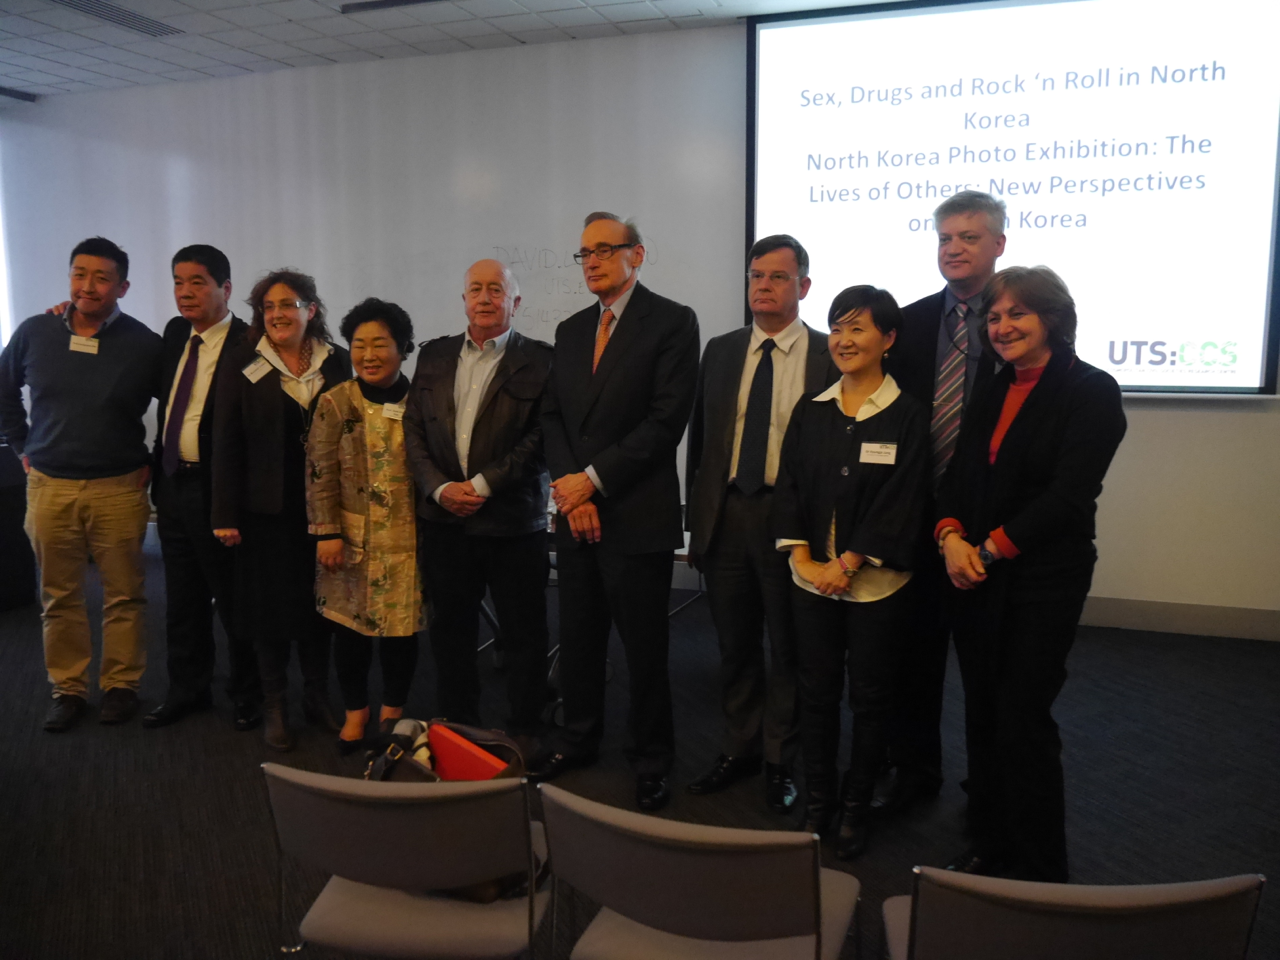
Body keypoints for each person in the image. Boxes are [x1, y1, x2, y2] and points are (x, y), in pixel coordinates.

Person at [937, 266, 1125, 882]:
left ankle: (1042, 868)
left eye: (1017, 313)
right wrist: (950, 538)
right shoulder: (995, 385)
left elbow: (1068, 496)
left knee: (1023, 717)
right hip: (976, 572)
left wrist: (986, 548)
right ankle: (990, 839)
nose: (1002, 326)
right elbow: (963, 473)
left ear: (1052, 318)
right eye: (993, 316)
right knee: (984, 713)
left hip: (1044, 577)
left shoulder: (1091, 390)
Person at [532, 212, 700, 812]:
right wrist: (571, 490)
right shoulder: (572, 329)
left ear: (638, 254)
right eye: (584, 253)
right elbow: (554, 417)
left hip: (635, 513)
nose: (593, 261)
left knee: (645, 650)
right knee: (577, 640)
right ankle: (576, 739)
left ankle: (651, 759)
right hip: (577, 514)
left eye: (605, 249)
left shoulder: (674, 322)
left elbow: (664, 422)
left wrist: (591, 482)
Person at [773, 285, 929, 859]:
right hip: (810, 580)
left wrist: (849, 561)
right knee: (815, 694)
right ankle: (819, 804)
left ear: (888, 340)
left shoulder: (907, 414)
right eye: (837, 327)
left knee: (869, 697)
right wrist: (803, 559)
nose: (843, 340)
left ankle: (856, 808)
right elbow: (788, 488)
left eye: (858, 328)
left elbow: (903, 500)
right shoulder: (811, 410)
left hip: (875, 587)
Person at [684, 234, 838, 814]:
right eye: (755, 276)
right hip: (727, 516)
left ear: (803, 286)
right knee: (734, 644)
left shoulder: (828, 354)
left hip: (791, 518)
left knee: (789, 648)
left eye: (776, 276)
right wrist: (698, 526)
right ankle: (738, 746)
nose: (763, 286)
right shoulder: (721, 351)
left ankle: (780, 759)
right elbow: (702, 445)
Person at [879, 190, 1007, 817]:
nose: (953, 249)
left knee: (988, 672)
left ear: (999, 245)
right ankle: (914, 773)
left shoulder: (1019, 318)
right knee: (912, 660)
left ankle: (988, 791)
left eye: (969, 238)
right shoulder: (913, 321)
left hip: (989, 529)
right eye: (945, 239)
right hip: (918, 518)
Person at [0, 237, 162, 732]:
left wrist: (154, 460)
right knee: (59, 595)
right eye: (79, 273)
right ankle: (67, 689)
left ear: (123, 287)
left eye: (101, 277)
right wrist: (22, 448)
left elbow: (182, 410)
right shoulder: (35, 332)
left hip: (118, 488)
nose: (87, 286)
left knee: (124, 595)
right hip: (50, 487)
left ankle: (120, 685)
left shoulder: (144, 344)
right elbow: (4, 394)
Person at [403, 260, 553, 739]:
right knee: (450, 634)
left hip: (513, 524)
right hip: (445, 522)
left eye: (496, 289)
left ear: (515, 301)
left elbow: (542, 438)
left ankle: (525, 733)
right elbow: (412, 430)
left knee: (524, 637)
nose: (485, 298)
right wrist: (440, 487)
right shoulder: (434, 357)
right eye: (476, 289)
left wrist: (484, 484)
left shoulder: (544, 360)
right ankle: (459, 730)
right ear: (463, 298)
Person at [211, 269, 351, 752]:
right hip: (263, 512)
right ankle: (275, 704)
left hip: (325, 512)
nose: (277, 315)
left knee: (320, 607)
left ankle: (317, 695)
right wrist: (223, 512)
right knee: (268, 611)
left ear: (311, 310)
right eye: (268, 307)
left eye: (288, 305)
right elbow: (224, 440)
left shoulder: (339, 363)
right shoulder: (241, 362)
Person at [143, 245, 261, 732]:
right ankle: (188, 690)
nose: (185, 292)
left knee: (234, 599)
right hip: (173, 486)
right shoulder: (174, 334)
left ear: (225, 289)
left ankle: (247, 694)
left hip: (221, 494)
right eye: (178, 282)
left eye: (197, 282)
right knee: (183, 600)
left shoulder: (250, 343)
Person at [307, 298, 424, 753]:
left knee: (402, 632)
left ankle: (392, 713)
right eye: (359, 345)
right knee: (349, 632)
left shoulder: (422, 402)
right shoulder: (335, 403)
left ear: (403, 348)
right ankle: (356, 711)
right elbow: (318, 472)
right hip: (349, 541)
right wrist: (327, 532)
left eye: (381, 344)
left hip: (408, 541)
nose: (369, 355)